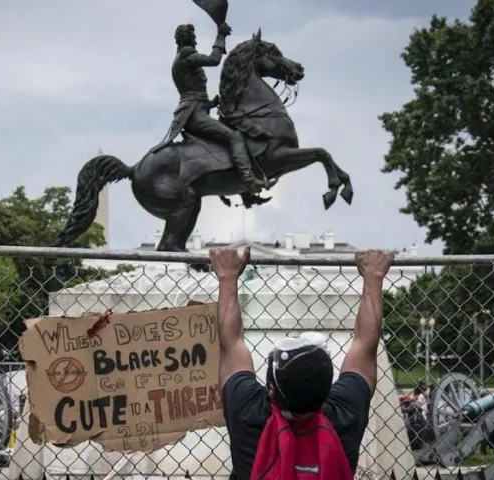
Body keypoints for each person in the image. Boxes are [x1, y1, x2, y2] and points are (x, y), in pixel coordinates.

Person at [210, 246, 394, 479]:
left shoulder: (248, 412)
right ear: (328, 390)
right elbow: (365, 345)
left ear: (271, 390)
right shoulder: (343, 414)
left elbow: (231, 344)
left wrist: (227, 277)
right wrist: (374, 277)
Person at [150, 23, 267, 192]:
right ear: (187, 38)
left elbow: (192, 93)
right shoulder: (187, 56)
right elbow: (214, 60)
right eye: (193, 36)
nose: (196, 40)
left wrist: (211, 103)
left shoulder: (179, 60)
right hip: (195, 116)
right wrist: (221, 36)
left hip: (193, 112)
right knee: (234, 137)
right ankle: (249, 181)